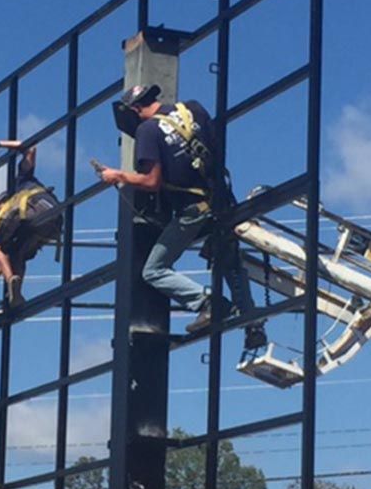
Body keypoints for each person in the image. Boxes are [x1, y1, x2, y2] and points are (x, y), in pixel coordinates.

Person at [97, 84, 266, 351]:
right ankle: (253, 326)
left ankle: (208, 302)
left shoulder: (147, 130)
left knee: (153, 270)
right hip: (221, 201)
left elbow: (151, 181)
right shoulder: (192, 109)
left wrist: (118, 176)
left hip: (193, 210)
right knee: (230, 264)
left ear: (134, 109)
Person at [0, 141, 62, 310]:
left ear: (3, 203)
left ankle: (10, 281)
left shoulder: (21, 182)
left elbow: (31, 147)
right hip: (54, 220)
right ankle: (17, 296)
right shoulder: (31, 185)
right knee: (18, 254)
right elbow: (13, 259)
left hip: (32, 209)